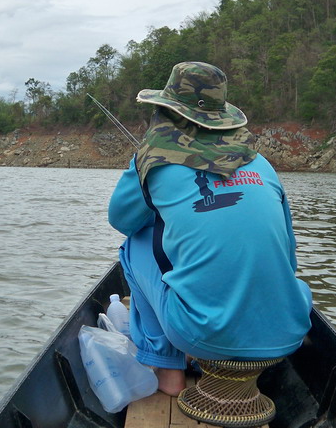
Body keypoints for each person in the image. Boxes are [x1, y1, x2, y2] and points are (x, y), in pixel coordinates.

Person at [108, 61, 313, 396]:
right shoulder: (261, 163)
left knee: (133, 246)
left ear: (168, 112)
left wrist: (161, 205)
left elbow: (122, 221)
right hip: (288, 331)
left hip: (199, 333)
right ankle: (234, 347)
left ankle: (167, 367)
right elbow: (289, 259)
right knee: (294, 283)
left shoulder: (152, 157)